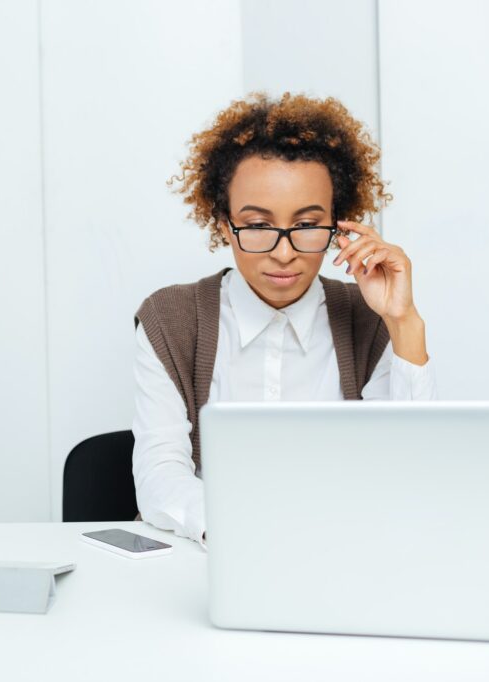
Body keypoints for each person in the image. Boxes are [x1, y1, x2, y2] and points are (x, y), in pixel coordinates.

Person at [132, 92, 436, 546]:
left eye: (307, 225)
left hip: (343, 552)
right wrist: (245, 533)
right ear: (223, 224)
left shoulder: (369, 318)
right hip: (209, 553)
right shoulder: (170, 318)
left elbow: (410, 470)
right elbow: (160, 475)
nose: (283, 251)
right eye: (257, 226)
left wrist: (404, 322)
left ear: (340, 224)